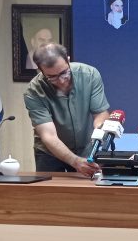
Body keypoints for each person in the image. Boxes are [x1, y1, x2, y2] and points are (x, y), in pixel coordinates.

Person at [23, 43, 109, 176]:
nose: (61, 81)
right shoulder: (34, 91)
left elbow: (100, 114)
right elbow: (49, 136)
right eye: (52, 77)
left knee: (89, 187)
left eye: (64, 72)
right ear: (40, 70)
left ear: (68, 60)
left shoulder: (90, 75)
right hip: (49, 153)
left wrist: (100, 133)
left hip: (86, 147)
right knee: (49, 188)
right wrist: (75, 161)